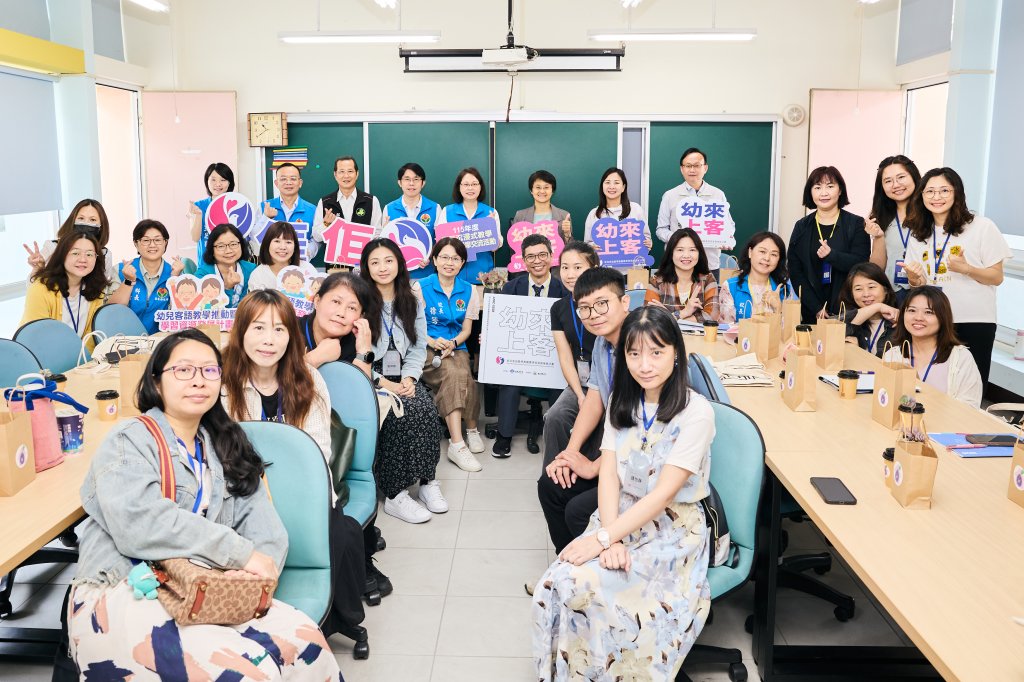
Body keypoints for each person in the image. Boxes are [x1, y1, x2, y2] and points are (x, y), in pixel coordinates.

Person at [68, 329, 342, 680]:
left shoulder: (224, 443)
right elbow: (141, 525)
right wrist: (240, 555)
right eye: (183, 370)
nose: (198, 381)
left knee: (308, 645)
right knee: (246, 671)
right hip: (127, 589)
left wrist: (252, 574)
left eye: (210, 370)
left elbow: (265, 527)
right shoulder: (129, 440)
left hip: (207, 587)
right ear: (156, 381)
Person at [533, 305, 713, 680]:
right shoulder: (622, 401)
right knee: (553, 586)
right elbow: (610, 475)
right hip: (619, 516)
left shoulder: (696, 412)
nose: (644, 364)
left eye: (656, 352)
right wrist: (609, 536)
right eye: (634, 354)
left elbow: (663, 495)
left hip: (673, 531)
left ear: (676, 353)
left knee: (586, 587)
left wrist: (602, 537)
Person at [221, 289, 368, 651]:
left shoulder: (309, 379)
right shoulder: (223, 382)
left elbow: (317, 451)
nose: (268, 340)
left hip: (306, 494)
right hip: (242, 497)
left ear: (292, 335)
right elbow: (220, 454)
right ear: (241, 331)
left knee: (339, 533)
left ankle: (328, 620)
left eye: (279, 330)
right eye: (258, 328)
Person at [299, 272, 392, 601]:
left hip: (338, 438)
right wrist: (316, 358)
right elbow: (276, 386)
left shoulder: (355, 340)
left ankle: (363, 559)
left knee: (371, 456)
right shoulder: (291, 333)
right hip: (295, 434)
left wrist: (364, 352)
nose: (341, 312)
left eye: (352, 307)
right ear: (316, 301)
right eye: (335, 301)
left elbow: (359, 403)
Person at [538, 267, 630, 555]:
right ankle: (568, 566)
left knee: (577, 510)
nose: (594, 314)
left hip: (639, 463)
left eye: (603, 303)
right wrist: (571, 454)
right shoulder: (603, 343)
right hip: (616, 452)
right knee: (550, 485)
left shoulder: (640, 345)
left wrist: (592, 466)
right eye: (585, 308)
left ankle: (595, 568)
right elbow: (594, 397)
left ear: (624, 303)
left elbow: (640, 432)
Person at [359, 239, 446, 524]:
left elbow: (419, 347)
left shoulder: (411, 299)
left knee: (425, 409)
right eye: (375, 262)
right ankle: (395, 494)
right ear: (366, 267)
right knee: (396, 416)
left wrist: (409, 377)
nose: (382, 268)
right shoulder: (358, 301)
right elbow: (355, 355)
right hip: (370, 375)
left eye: (388, 261)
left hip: (404, 373)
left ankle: (426, 481)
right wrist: (386, 383)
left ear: (398, 263)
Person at [903, 167, 1011, 385]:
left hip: (973, 319)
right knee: (933, 383)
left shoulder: (981, 226)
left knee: (970, 384)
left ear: (957, 193)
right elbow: (920, 285)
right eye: (930, 191)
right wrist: (914, 279)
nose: (936, 197)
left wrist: (967, 269)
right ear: (921, 196)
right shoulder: (919, 234)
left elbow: (997, 276)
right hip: (934, 320)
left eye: (944, 190)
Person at [492, 234, 569, 458]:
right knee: (510, 377)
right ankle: (504, 436)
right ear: (523, 261)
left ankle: (557, 439)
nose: (537, 261)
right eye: (531, 256)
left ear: (551, 257)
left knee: (560, 381)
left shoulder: (563, 290)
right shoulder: (511, 287)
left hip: (551, 356)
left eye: (542, 255)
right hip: (520, 356)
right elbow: (501, 325)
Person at [419, 237, 486, 471]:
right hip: (427, 347)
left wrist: (453, 342)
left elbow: (467, 329)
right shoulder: (420, 287)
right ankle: (458, 444)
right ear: (434, 260)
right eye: (444, 257)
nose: (450, 262)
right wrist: (432, 341)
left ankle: (471, 429)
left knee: (465, 373)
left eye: (456, 258)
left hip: (457, 346)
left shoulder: (469, 290)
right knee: (453, 373)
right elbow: (414, 326)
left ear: (462, 262)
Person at [545, 241, 600, 479]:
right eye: (565, 267)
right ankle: (554, 477)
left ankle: (591, 475)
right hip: (581, 382)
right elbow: (565, 356)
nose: (570, 274)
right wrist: (579, 393)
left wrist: (591, 397)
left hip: (608, 382)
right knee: (555, 417)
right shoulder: (558, 308)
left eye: (577, 267)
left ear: (593, 267)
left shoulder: (603, 301)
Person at [787, 166, 870, 323]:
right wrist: (816, 307)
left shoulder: (856, 224)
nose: (823, 193)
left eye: (830, 186)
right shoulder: (801, 226)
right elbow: (795, 270)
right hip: (812, 311)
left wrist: (832, 256)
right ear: (810, 192)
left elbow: (861, 264)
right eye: (817, 187)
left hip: (849, 309)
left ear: (840, 191)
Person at [21, 232, 130, 346]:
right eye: (75, 253)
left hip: (77, 359)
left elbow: (90, 338)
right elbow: (37, 339)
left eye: (89, 254)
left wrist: (87, 361)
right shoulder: (40, 289)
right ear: (62, 256)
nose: (83, 259)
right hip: (40, 358)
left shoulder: (95, 289)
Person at [882, 286, 983, 408]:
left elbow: (970, 407)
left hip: (946, 425)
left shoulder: (960, 358)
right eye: (912, 310)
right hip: (903, 423)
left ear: (943, 318)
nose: (918, 318)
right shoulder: (893, 355)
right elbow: (887, 397)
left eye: (928, 312)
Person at [655, 147, 736, 279]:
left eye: (697, 165)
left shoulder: (718, 194)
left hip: (709, 263)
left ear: (705, 168)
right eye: (688, 166)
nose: (692, 170)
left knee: (709, 299)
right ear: (682, 169)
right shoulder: (670, 195)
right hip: (678, 263)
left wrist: (726, 239)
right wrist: (679, 239)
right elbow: (661, 230)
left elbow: (729, 226)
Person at [311, 156, 383, 269]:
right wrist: (326, 225)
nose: (346, 176)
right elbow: (316, 236)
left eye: (350, 171)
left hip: (363, 266)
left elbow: (378, 234)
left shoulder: (371, 201)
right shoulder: (325, 202)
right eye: (341, 172)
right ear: (335, 175)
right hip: (335, 266)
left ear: (357, 174)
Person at [865, 155, 922, 297]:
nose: (895, 185)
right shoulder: (880, 217)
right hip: (894, 293)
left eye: (901, 177)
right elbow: (877, 268)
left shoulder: (930, 213)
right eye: (888, 181)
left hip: (926, 290)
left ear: (914, 177)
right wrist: (878, 236)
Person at [24, 198, 118, 282]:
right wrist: (37, 268)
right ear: (73, 221)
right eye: (81, 218)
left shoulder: (104, 254)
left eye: (93, 220)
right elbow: (32, 287)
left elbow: (103, 288)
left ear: (101, 225)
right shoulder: (53, 247)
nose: (86, 223)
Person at [437, 167, 503, 287]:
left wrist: (491, 230)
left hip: (482, 277)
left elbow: (495, 247)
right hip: (452, 276)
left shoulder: (490, 212)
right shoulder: (447, 211)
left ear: (480, 186)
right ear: (459, 187)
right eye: (466, 184)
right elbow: (441, 244)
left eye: (474, 184)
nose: (470, 188)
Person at [118, 219, 185, 334]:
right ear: (136, 244)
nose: (152, 245)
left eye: (158, 240)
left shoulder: (175, 273)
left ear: (165, 243)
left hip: (161, 341)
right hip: (126, 341)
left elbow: (181, 316)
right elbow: (111, 311)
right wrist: (128, 281)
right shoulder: (121, 270)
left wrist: (175, 279)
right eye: (146, 240)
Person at [382, 163, 441, 281]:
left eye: (416, 179)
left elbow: (440, 241)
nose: (411, 183)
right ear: (400, 182)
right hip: (397, 276)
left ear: (423, 183)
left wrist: (429, 256)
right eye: (407, 179)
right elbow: (384, 244)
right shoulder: (389, 208)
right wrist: (384, 233)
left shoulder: (435, 208)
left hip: (426, 275)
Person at [649, 227, 719, 322]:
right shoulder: (657, 280)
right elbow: (650, 318)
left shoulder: (707, 279)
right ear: (671, 253)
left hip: (699, 337)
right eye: (680, 250)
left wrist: (669, 317)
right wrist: (684, 312)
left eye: (692, 250)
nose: (686, 255)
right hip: (666, 337)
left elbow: (713, 315)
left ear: (699, 253)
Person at [719, 231, 788, 323]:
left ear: (779, 259)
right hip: (740, 337)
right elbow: (727, 328)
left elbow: (788, 332)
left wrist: (778, 309)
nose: (767, 258)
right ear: (750, 252)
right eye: (762, 252)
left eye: (774, 254)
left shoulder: (784, 290)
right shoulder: (730, 286)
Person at [253, 163, 317, 257]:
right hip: (271, 264)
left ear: (300, 183)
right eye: (283, 179)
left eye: (293, 179)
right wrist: (265, 218)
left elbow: (316, 239)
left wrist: (308, 251)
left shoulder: (312, 210)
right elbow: (253, 237)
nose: (288, 183)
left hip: (301, 264)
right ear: (276, 183)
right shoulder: (265, 207)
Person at [583, 168, 653, 250]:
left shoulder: (635, 209)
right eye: (607, 182)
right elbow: (587, 244)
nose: (611, 186)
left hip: (631, 261)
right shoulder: (594, 214)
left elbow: (646, 239)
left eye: (616, 183)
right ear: (602, 186)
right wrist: (591, 248)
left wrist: (648, 244)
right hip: (602, 262)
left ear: (623, 187)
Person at [837, 262, 899, 355]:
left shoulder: (898, 320)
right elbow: (836, 329)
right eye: (858, 289)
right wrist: (878, 307)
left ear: (885, 290)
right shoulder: (849, 317)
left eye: (871, 287)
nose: (866, 294)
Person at [194, 224, 258, 307]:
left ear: (241, 245)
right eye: (221, 246)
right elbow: (202, 309)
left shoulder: (251, 270)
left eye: (233, 244)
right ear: (212, 249)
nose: (228, 251)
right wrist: (227, 287)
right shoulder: (203, 275)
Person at [248, 221, 318, 293]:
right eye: (277, 241)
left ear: (295, 246)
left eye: (288, 242)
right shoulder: (258, 275)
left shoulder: (307, 269)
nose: (283, 247)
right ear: (267, 244)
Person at [188, 162, 235, 261]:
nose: (218, 184)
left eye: (223, 180)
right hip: (206, 264)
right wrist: (198, 215)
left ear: (229, 182)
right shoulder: (198, 206)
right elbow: (195, 238)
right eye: (213, 180)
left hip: (231, 261)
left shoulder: (236, 205)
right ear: (207, 181)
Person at [510, 170, 572, 243]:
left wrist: (567, 234)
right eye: (538, 187)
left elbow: (570, 250)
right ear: (531, 190)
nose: (542, 191)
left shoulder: (564, 216)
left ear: (552, 190)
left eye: (546, 187)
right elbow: (514, 247)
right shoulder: (520, 216)